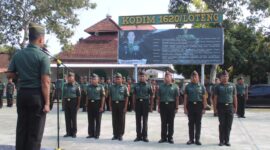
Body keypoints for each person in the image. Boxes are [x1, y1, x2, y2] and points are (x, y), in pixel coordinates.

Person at [6, 22, 51, 150]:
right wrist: (47, 103)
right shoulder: (43, 57)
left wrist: (20, 75)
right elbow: (45, 82)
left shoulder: (18, 54)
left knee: (22, 128)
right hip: (36, 95)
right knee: (35, 132)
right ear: (41, 39)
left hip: (22, 94)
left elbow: (9, 74)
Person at [214, 70, 237, 146]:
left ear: (228, 77)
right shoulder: (217, 86)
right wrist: (215, 109)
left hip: (230, 106)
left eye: (226, 76)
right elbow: (215, 98)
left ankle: (227, 140)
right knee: (222, 124)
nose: (225, 77)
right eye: (223, 76)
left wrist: (235, 107)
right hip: (221, 107)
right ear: (220, 77)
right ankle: (221, 141)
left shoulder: (232, 85)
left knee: (229, 125)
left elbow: (234, 97)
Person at [184, 71, 207, 145]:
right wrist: (185, 108)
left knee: (198, 123)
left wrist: (204, 108)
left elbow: (204, 98)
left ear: (198, 78)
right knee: (191, 123)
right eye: (193, 77)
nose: (194, 78)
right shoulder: (187, 86)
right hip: (190, 105)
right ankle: (191, 139)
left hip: (199, 106)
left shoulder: (202, 86)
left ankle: (197, 139)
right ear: (191, 78)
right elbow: (185, 98)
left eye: (195, 77)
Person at [157, 71, 179, 144]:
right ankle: (163, 138)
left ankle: (170, 138)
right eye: (166, 76)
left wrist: (176, 107)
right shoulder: (161, 86)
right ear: (164, 77)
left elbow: (177, 98)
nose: (167, 77)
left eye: (168, 76)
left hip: (171, 105)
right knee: (163, 122)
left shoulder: (175, 86)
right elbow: (159, 97)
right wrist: (158, 107)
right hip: (163, 105)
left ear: (171, 77)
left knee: (171, 122)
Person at [133, 71, 153, 142]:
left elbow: (151, 96)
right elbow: (134, 95)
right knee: (138, 120)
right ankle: (138, 136)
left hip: (145, 103)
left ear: (146, 77)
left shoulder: (148, 85)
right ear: (138, 77)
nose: (141, 77)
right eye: (140, 76)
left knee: (145, 120)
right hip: (138, 103)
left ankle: (145, 136)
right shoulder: (136, 85)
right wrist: (134, 105)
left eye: (143, 76)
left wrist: (151, 106)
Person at [109, 73, 129, 141]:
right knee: (114, 120)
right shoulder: (112, 87)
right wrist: (110, 106)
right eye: (116, 78)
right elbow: (110, 97)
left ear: (121, 79)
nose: (117, 80)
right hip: (114, 104)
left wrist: (126, 107)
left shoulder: (124, 87)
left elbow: (126, 98)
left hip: (121, 104)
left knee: (121, 120)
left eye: (119, 78)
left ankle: (120, 134)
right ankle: (115, 134)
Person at [86, 73, 105, 139]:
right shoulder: (88, 86)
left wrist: (102, 107)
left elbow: (103, 97)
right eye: (92, 79)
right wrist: (86, 105)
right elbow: (87, 96)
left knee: (98, 120)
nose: (93, 80)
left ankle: (97, 134)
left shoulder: (101, 87)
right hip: (90, 104)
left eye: (94, 79)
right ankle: (91, 133)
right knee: (90, 120)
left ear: (98, 80)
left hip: (98, 104)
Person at [63, 72, 81, 138]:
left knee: (73, 118)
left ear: (74, 77)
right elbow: (63, 95)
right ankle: (68, 132)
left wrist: (78, 105)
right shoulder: (65, 85)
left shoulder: (77, 85)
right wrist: (63, 105)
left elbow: (79, 96)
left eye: (71, 77)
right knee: (67, 118)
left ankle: (74, 132)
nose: (70, 78)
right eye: (69, 77)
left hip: (73, 102)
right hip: (66, 102)